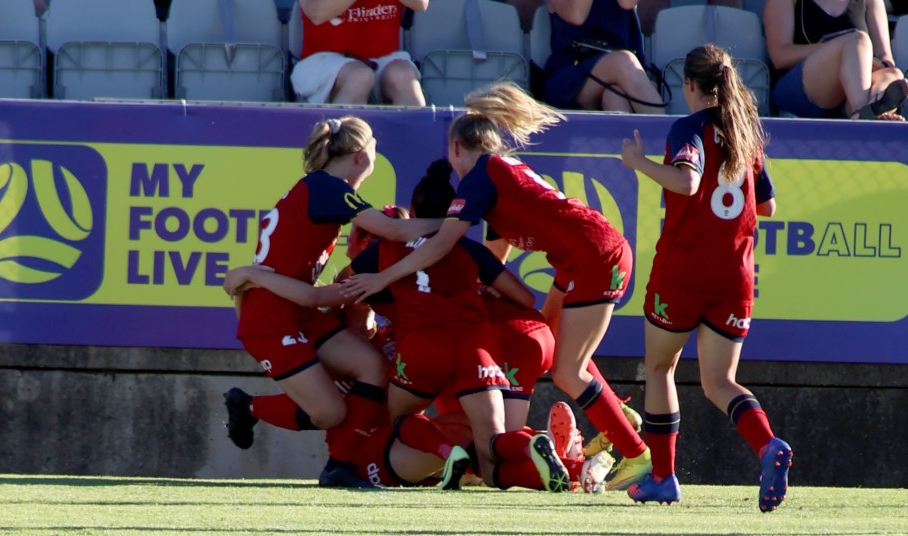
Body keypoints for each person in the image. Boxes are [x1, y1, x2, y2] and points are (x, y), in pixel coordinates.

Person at [341, 81, 653, 492]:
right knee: (553, 340)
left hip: (593, 255)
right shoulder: (502, 173)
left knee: (567, 370)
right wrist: (482, 284)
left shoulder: (480, 176)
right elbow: (495, 255)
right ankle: (612, 418)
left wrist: (384, 277)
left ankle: (636, 454)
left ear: (456, 147)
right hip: (582, 256)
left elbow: (442, 243)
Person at [619, 44, 792, 512]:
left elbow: (687, 181)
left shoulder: (688, 128)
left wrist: (638, 163)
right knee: (720, 382)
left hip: (684, 271)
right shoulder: (744, 132)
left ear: (690, 85)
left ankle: (663, 477)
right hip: (734, 275)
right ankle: (767, 445)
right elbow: (768, 206)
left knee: (661, 368)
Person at [224, 116, 440, 487]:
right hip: (273, 320)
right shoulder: (328, 187)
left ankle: (339, 468)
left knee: (372, 368)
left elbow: (310, 291)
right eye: (374, 148)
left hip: (297, 310)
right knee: (330, 413)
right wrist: (456, 222)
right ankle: (249, 406)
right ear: (360, 156)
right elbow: (395, 229)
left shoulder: (322, 189)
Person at [765, 0, 908, 119]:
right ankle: (863, 114)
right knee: (858, 41)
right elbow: (780, 56)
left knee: (894, 76)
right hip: (802, 89)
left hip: (851, 91)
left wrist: (866, 60)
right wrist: (842, 49)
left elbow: (885, 57)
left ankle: (868, 112)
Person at [291, 0, 428, 105]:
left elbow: (421, 4)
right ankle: (341, 134)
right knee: (359, 77)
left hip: (383, 57)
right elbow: (316, 13)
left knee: (404, 76)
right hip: (322, 59)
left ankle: (419, 134)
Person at [543, 0, 666, 113]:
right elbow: (577, 16)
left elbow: (627, 3)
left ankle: (633, 130)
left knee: (615, 97)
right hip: (573, 75)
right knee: (623, 61)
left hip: (621, 75)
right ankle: (663, 129)